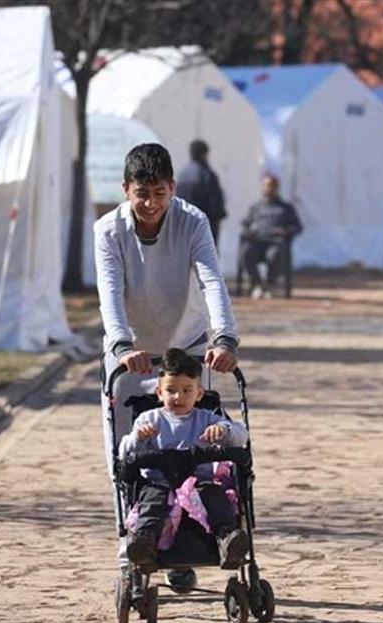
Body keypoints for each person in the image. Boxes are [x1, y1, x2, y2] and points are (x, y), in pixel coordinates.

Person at [95, 142, 239, 589]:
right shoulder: (107, 231)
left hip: (188, 347)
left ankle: (184, 547)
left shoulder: (192, 221)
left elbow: (211, 278)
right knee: (131, 452)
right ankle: (134, 545)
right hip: (131, 352)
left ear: (172, 188)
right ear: (126, 190)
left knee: (194, 446)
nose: (151, 204)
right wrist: (122, 347)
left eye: (159, 193)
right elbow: (110, 292)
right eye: (142, 193)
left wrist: (225, 337)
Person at [119, 348, 250, 572]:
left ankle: (228, 540)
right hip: (159, 483)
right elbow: (125, 453)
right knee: (152, 503)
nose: (178, 397)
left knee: (217, 498)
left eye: (186, 390)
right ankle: (144, 543)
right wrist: (138, 438)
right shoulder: (149, 419)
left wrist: (224, 430)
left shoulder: (208, 418)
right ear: (159, 393)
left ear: (199, 394)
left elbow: (241, 435)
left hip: (200, 482)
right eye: (171, 390)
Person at [240, 174, 302, 299]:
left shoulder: (285, 208)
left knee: (274, 254)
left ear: (277, 187)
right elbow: (246, 224)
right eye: (266, 186)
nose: (268, 189)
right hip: (257, 242)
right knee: (247, 252)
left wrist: (286, 232)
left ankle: (269, 285)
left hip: (275, 243)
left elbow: (297, 227)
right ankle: (256, 284)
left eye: (271, 186)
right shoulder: (256, 207)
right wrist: (248, 232)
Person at [175, 139, 227, 248]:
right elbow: (216, 204)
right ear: (205, 154)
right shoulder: (207, 174)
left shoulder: (181, 174)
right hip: (204, 227)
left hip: (183, 226)